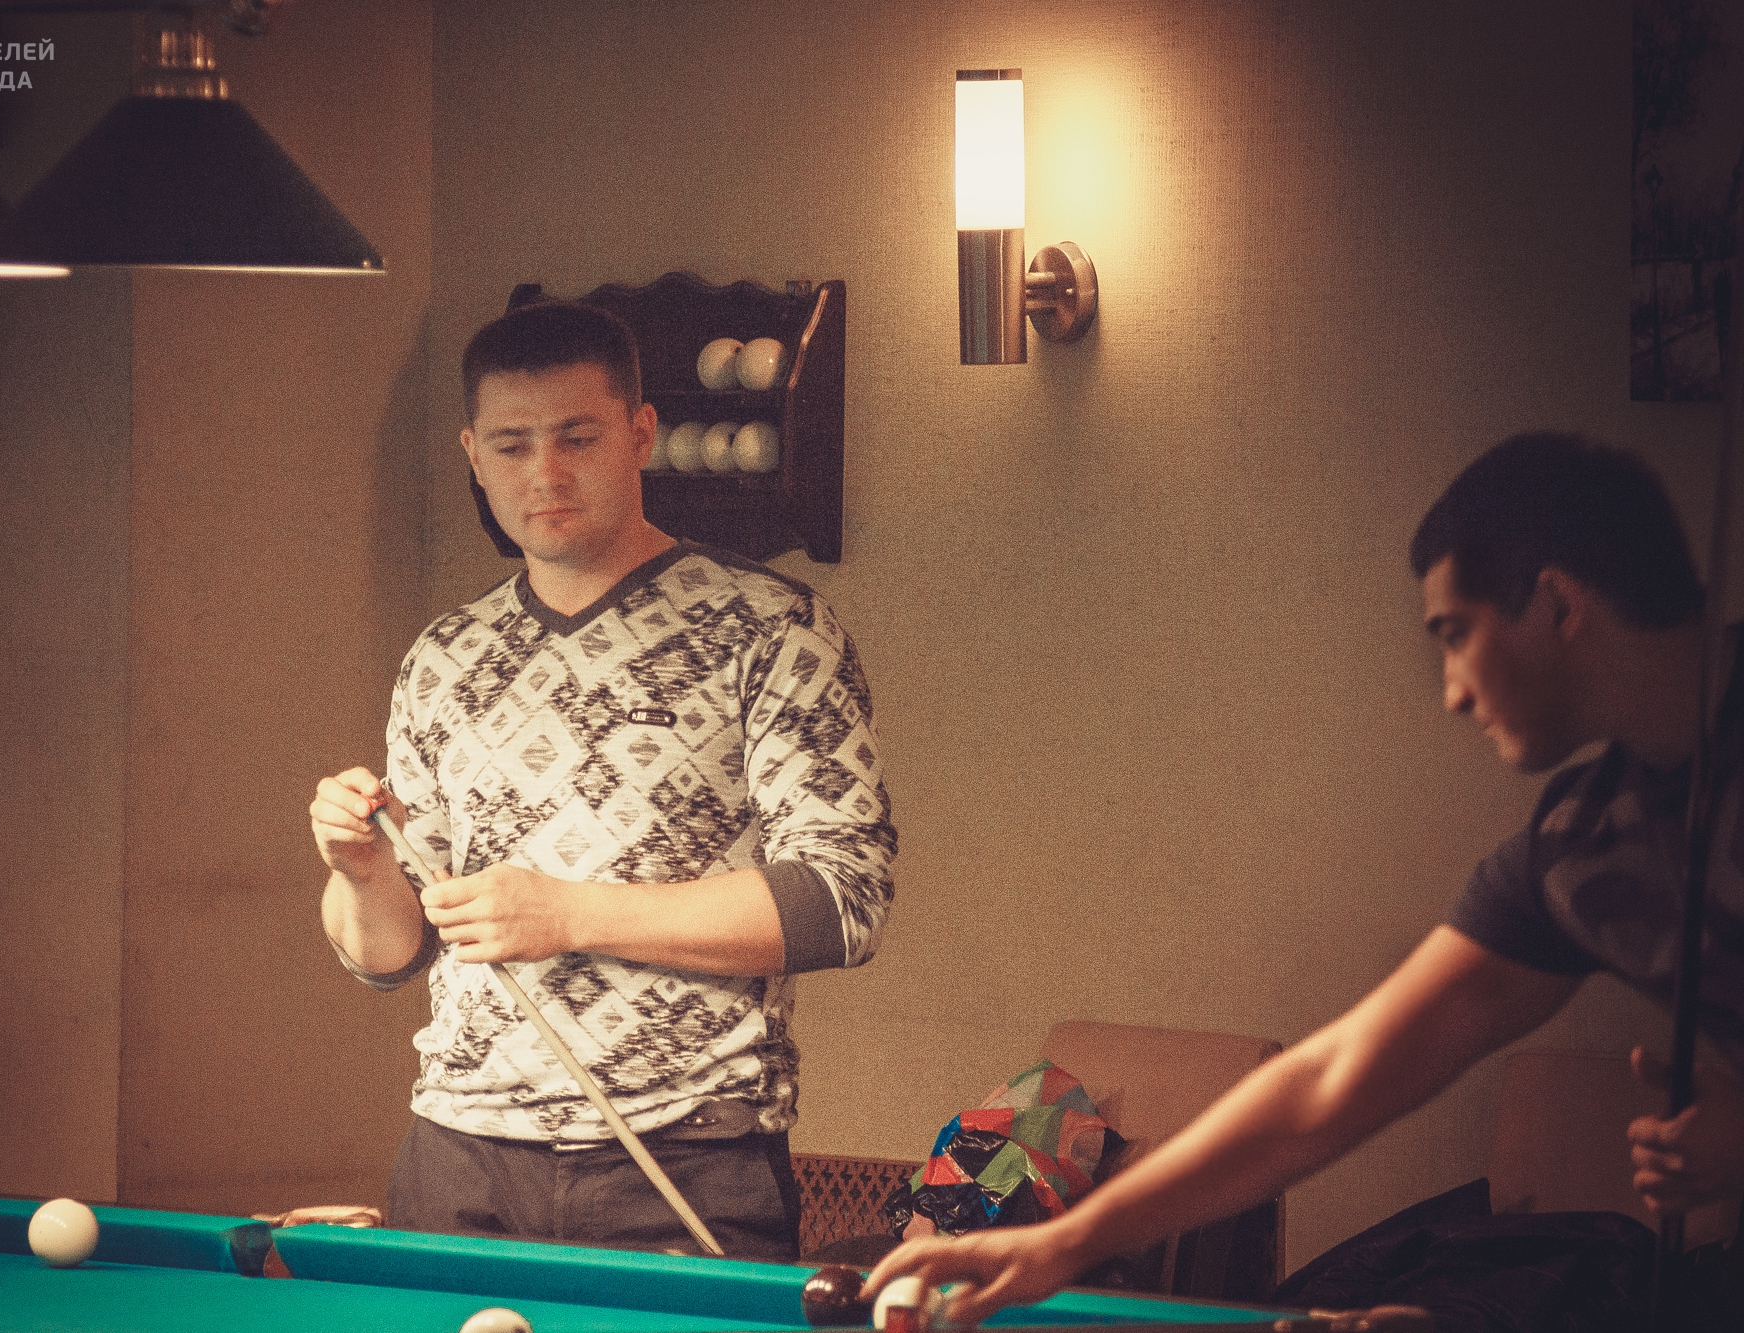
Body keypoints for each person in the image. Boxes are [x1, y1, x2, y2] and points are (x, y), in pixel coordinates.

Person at [866, 432, 1744, 1322]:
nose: (1451, 691)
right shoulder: (1580, 844)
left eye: (1456, 634)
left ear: (1557, 602)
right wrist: (1064, 1243)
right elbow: (1333, 1080)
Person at [308, 300, 896, 1259]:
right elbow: (390, 954)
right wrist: (360, 868)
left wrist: (571, 913)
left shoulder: (774, 628)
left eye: (576, 437)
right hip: (459, 1160)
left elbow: (843, 901)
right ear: (473, 454)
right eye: (512, 444)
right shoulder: (443, 657)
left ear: (640, 433)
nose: (544, 472)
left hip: (687, 1162)